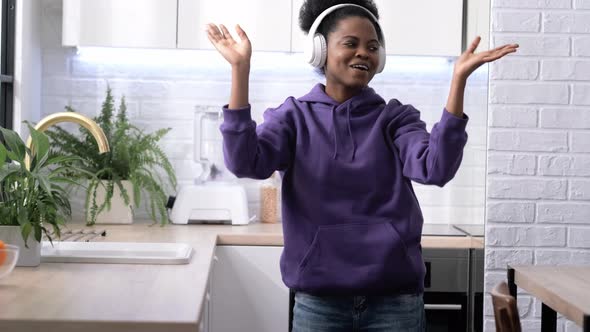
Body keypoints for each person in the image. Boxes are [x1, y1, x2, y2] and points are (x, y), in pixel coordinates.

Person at [206, 0, 518, 330]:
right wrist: (240, 69)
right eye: (351, 44)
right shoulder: (293, 118)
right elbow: (244, 162)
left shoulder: (396, 118)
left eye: (372, 47)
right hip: (319, 303)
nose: (363, 53)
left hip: (395, 303)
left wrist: (458, 82)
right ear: (320, 51)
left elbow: (435, 168)